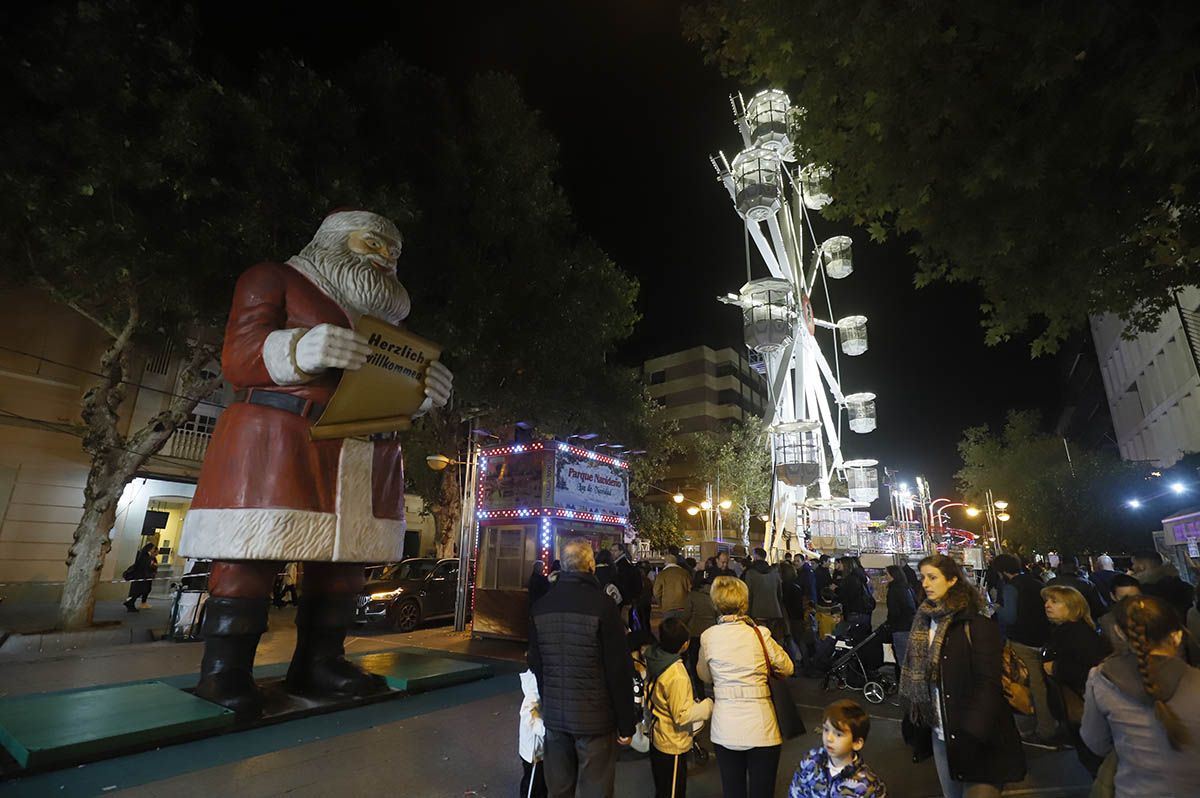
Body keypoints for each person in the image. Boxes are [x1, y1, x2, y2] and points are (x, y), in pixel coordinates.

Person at [176, 210, 454, 718]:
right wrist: (301, 348)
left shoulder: (390, 325)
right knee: (249, 559)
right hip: (279, 437)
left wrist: (422, 394)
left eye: (394, 252)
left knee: (344, 566)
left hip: (361, 450)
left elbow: (384, 389)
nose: (386, 258)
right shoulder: (272, 279)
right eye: (375, 243)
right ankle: (225, 670)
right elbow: (238, 359)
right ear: (334, 240)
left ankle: (320, 661)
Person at [900, 554, 1025, 798]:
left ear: (952, 580)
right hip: (941, 733)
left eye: (932, 577)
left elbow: (988, 683)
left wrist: (972, 731)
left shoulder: (975, 623)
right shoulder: (924, 621)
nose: (925, 583)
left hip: (978, 737)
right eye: (922, 577)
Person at [527, 539, 636, 798]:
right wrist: (626, 723)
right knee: (596, 788)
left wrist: (547, 702)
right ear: (590, 565)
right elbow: (618, 669)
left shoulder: (541, 607)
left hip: (555, 717)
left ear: (563, 566)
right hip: (596, 720)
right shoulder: (603, 606)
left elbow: (536, 663)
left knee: (559, 789)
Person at [1080, 594, 1200, 797]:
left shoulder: (1101, 679)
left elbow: (1096, 743)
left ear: (1119, 632)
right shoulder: (1195, 681)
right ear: (1177, 636)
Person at [697, 575, 794, 798]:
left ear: (715, 603)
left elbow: (704, 676)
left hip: (725, 727)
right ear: (744, 602)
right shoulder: (760, 633)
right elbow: (787, 668)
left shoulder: (708, 637)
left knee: (733, 790)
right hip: (762, 726)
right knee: (762, 791)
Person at [1040, 585, 1110, 775]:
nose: (1047, 605)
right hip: (1074, 706)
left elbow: (1089, 669)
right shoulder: (1063, 631)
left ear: (1072, 607)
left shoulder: (1078, 634)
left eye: (1055, 601)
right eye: (1047, 601)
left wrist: (1056, 668)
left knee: (1095, 760)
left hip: (1083, 706)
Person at [992, 553, 1058, 746]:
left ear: (1003, 571)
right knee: (1044, 681)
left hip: (1023, 641)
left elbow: (1009, 617)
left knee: (1030, 684)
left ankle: (1044, 729)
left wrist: (996, 606)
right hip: (1043, 638)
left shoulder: (1012, 587)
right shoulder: (1036, 582)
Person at [645, 617, 713, 798]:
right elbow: (682, 715)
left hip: (657, 734)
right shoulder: (676, 673)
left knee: (662, 789)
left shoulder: (655, 658)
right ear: (684, 645)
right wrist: (707, 706)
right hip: (672, 742)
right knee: (674, 792)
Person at [788, 699, 887, 798]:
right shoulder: (810, 760)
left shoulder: (869, 786)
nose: (829, 738)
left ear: (857, 743)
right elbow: (795, 792)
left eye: (838, 734)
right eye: (826, 730)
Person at [1131, 550, 1195, 622]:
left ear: (1142, 566)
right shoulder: (1181, 586)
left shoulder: (1143, 590)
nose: (1132, 567)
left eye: (1133, 563)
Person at [680, 571, 717, 692]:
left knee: (696, 663)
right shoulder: (713, 595)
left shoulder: (692, 596)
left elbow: (686, 615)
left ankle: (700, 693)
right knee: (712, 663)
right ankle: (714, 689)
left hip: (695, 632)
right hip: (711, 633)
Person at [744, 548, 788, 642]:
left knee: (760, 641)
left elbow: (748, 595)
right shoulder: (774, 573)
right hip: (774, 612)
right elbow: (780, 594)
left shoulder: (750, 573)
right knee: (774, 641)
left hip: (757, 612)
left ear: (755, 556)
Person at [1046, 554, 1106, 621]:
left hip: (1058, 624)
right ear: (1076, 567)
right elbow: (1100, 608)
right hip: (1082, 623)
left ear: (1061, 566)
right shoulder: (1087, 584)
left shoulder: (1050, 584)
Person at [518, 669, 548, 798]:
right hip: (534, 749)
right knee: (533, 786)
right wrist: (546, 731)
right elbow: (527, 712)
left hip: (540, 746)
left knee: (542, 784)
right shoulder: (536, 681)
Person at [1099, 573, 1143, 652]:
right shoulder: (1107, 621)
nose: (1131, 603)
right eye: (1124, 598)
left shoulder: (1153, 614)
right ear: (1113, 596)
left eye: (1136, 597)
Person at [883, 565, 916, 669]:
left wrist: (889, 624)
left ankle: (904, 682)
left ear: (893, 575)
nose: (885, 576)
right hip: (910, 626)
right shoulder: (907, 587)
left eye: (887, 574)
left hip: (900, 628)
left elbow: (894, 611)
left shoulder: (894, 589)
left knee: (902, 660)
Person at [835, 556, 874, 627]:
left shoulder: (850, 579)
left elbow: (848, 597)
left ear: (845, 564)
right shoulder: (857, 576)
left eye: (840, 563)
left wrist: (836, 591)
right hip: (862, 611)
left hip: (855, 612)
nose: (838, 565)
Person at [123, 543, 157, 612]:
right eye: (153, 548)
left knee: (138, 591)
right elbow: (145, 566)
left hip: (141, 576)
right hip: (141, 576)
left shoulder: (143, 555)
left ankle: (131, 602)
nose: (154, 550)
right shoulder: (145, 556)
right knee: (139, 590)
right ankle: (130, 603)